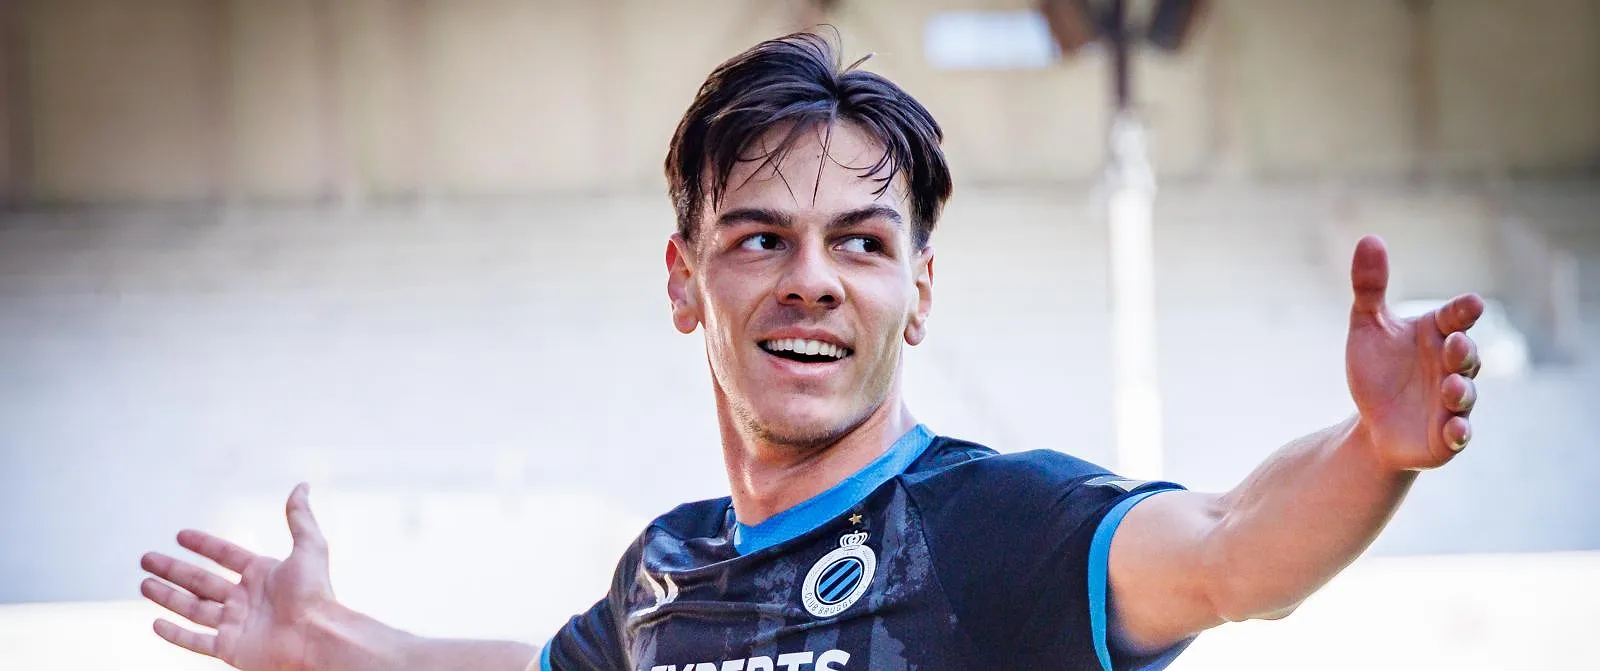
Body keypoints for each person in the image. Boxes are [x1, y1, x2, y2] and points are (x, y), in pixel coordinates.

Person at [138, 32, 1485, 671]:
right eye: (760, 237)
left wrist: (1374, 451)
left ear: (918, 290)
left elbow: (1234, 551)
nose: (813, 280)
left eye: (861, 241)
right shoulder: (666, 572)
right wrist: (318, 634)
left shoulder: (995, 525)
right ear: (686, 282)